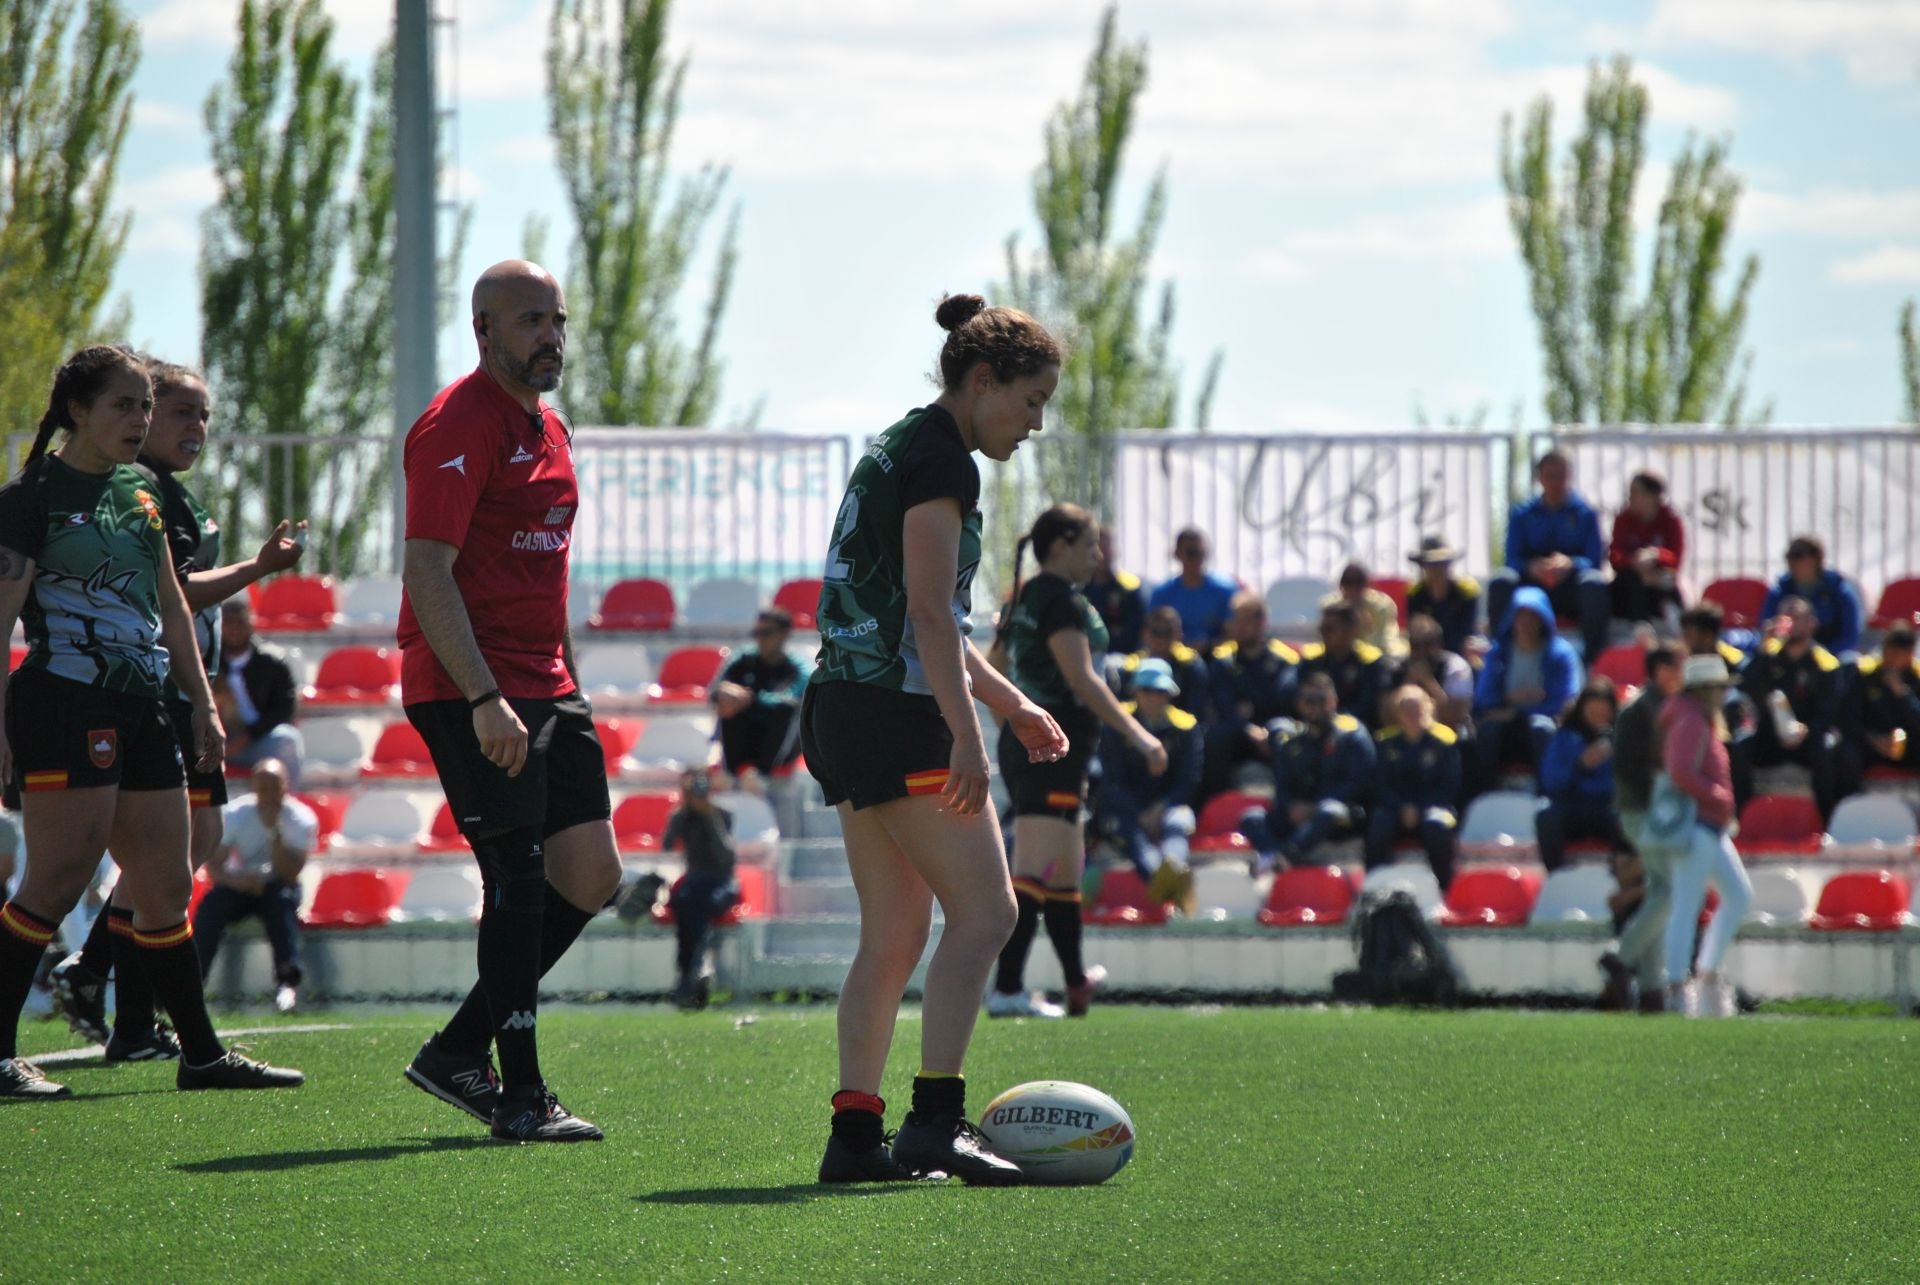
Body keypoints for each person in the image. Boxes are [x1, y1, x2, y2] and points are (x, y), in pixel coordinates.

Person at [801, 293, 1069, 1185]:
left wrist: (1010, 704)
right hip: (895, 712)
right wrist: (968, 733)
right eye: (1029, 401)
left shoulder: (903, 440)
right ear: (983, 378)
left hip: (845, 706)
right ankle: (935, 1122)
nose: (1034, 424)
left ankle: (854, 1136)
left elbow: (933, 621)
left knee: (896, 930)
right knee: (989, 913)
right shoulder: (943, 460)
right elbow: (925, 612)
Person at [0, 345, 301, 1097]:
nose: (139, 420)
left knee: (166, 880)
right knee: (59, 877)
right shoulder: (32, 496)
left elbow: (169, 605)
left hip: (146, 705)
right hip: (65, 699)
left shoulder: (141, 492)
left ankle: (200, 1055)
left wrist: (202, 703)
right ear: (76, 411)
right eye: (123, 405)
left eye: (144, 405)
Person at [397, 260, 622, 1144]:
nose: (550, 336)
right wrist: (486, 696)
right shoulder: (455, 424)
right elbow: (428, 569)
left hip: (547, 683)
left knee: (592, 874)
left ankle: (457, 1047)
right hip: (470, 683)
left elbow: (548, 575)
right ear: (484, 330)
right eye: (531, 320)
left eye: (558, 320)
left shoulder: (552, 430)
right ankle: (521, 1095)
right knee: (518, 877)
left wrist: (569, 681)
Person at [989, 503, 1166, 1021]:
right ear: (1061, 546)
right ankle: (1006, 988)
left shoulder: (1024, 597)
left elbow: (995, 666)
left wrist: (1013, 726)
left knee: (1065, 872)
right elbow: (1081, 679)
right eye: (1090, 544)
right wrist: (1139, 736)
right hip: (1052, 753)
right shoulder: (1061, 600)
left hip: (1042, 750)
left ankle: (1074, 981)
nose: (1099, 554)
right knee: (1032, 868)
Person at [1655, 654, 1753, 1019]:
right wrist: (1718, 797)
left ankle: (1705, 975)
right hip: (1696, 825)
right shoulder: (1690, 719)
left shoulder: (1695, 718)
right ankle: (1679, 985)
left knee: (1737, 895)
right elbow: (1680, 770)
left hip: (1708, 825)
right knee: (1687, 903)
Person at [193, 759, 315, 1014]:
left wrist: (275, 833)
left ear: (286, 786)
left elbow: (289, 872)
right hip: (243, 883)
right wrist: (238, 882)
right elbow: (215, 866)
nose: (269, 794)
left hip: (279, 885)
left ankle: (287, 983)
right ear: (254, 787)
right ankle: (193, 981)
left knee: (280, 904)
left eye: (275, 786)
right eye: (264, 787)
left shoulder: (301, 819)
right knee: (212, 905)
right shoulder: (237, 814)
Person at [1601, 645, 1683, 1013]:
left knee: (1658, 893)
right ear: (1661, 670)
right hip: (1644, 813)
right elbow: (1633, 769)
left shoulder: (1658, 707)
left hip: (1650, 813)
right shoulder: (1641, 710)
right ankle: (1621, 958)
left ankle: (1652, 990)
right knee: (1668, 893)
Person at [1240, 672, 1375, 867]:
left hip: (1344, 814)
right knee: (1252, 818)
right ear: (1299, 704)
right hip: (1303, 811)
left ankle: (1286, 858)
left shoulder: (1353, 735)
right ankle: (1272, 856)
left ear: (1333, 701)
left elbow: (1357, 785)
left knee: (1329, 812)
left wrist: (1313, 808)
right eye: (1308, 701)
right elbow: (1283, 787)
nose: (1315, 706)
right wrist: (1290, 808)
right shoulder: (1292, 741)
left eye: (1321, 700)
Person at [1488, 450, 1610, 662]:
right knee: (1501, 580)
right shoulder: (1522, 514)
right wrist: (1531, 567)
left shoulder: (1585, 514)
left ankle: (1593, 660)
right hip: (1532, 589)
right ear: (1539, 478)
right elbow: (1512, 559)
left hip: (1570, 588)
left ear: (1569, 476)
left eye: (1561, 476)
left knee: (1595, 584)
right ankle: (1501, 655)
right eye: (1550, 476)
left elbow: (1594, 560)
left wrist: (1570, 564)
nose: (1556, 482)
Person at [1096, 659, 1201, 892]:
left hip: (1169, 806)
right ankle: (1159, 879)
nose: (1154, 697)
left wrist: (1161, 808)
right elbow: (1112, 780)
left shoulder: (1186, 727)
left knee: (1179, 823)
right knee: (1131, 835)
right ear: (1135, 691)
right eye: (1147, 690)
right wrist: (1140, 813)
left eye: (1161, 691)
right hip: (1127, 809)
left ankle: (1173, 868)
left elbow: (1188, 780)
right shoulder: (1116, 725)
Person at [1733, 596, 1842, 818]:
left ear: (1811, 623)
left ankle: (1826, 819)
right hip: (1771, 738)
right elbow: (1744, 687)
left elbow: (1830, 710)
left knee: (1826, 748)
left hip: (1806, 740)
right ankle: (1742, 818)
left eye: (1796, 616)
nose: (1790, 622)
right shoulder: (1770, 657)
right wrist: (1762, 649)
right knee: (1741, 745)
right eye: (1786, 616)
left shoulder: (1824, 662)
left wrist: (1807, 729)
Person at [1472, 585, 1582, 788]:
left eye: (1533, 616)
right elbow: (1484, 699)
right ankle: (1483, 792)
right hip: (1506, 730)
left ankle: (1548, 793)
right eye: (1521, 615)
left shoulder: (1561, 654)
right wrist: (1510, 699)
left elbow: (1562, 702)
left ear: (1544, 619)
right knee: (1488, 731)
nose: (1526, 622)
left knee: (1540, 726)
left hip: (1542, 728)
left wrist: (1515, 710)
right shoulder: (1498, 653)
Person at [1201, 591, 1298, 797]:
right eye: (1236, 620)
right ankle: (1216, 801)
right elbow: (1224, 705)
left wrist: (1258, 719)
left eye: (1246, 620)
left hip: (1271, 731)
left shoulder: (1284, 660)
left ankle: (1286, 801)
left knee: (1285, 732)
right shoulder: (1223, 662)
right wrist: (1248, 728)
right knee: (1217, 736)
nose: (1239, 627)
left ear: (1261, 623)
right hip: (1239, 733)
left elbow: (1283, 703)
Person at [1366, 686, 1460, 888]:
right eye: (1407, 711)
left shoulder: (1443, 742)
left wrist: (1420, 808)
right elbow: (1381, 785)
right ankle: (1374, 886)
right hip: (1396, 809)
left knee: (1438, 825)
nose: (1413, 716)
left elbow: (1449, 786)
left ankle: (1446, 888)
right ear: (1398, 714)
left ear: (1428, 710)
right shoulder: (1386, 743)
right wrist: (1402, 808)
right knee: (1379, 822)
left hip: (1434, 806)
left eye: (1417, 710)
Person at [661, 768, 738, 1010]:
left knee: (695, 903)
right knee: (684, 901)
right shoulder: (682, 816)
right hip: (694, 883)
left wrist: (709, 817)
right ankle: (697, 968)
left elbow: (725, 858)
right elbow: (667, 844)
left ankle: (689, 974)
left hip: (720, 883)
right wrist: (683, 811)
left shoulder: (722, 815)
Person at [1534, 678, 1629, 871]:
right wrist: (1580, 765)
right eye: (1592, 712)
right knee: (1546, 817)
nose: (1597, 718)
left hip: (1608, 806)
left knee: (1626, 819)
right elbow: (1551, 781)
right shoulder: (1564, 737)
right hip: (1571, 805)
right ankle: (1554, 875)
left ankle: (1624, 876)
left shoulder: (1623, 739)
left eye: (1603, 713)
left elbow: (1628, 782)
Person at [711, 606, 810, 782]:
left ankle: (763, 776)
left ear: (784, 634)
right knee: (727, 703)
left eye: (767, 632)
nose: (760, 638)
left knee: (785, 710)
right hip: (746, 739)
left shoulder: (797, 669)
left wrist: (747, 698)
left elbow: (790, 699)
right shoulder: (742, 659)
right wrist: (726, 694)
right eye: (757, 632)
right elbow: (714, 690)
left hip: (778, 746)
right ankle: (730, 772)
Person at [216, 596, 304, 785]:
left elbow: (284, 710)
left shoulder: (272, 663)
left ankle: (287, 805)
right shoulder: (208, 663)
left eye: (240, 622)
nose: (234, 629)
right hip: (216, 743)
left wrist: (248, 736)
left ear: (252, 623)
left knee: (288, 739)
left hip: (257, 740)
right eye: (228, 622)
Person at [1829, 622, 1920, 802]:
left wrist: (1902, 694)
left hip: (1908, 747)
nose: (1889, 658)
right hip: (1872, 744)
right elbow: (1849, 717)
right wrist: (1873, 739)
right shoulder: (1866, 674)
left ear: (1909, 655)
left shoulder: (1916, 678)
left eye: (1896, 654)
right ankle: (1849, 804)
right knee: (1845, 751)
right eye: (1887, 651)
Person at [1760, 534, 1862, 657]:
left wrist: (1822, 655)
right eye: (1789, 556)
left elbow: (1850, 636)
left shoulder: (1839, 591)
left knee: (1849, 659)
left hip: (1831, 656)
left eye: (1798, 555)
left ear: (1816, 558)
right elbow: (1766, 625)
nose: (1792, 561)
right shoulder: (1780, 591)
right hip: (1787, 656)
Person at [1296, 602, 1388, 731]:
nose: (1324, 634)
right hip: (1314, 726)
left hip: (1355, 729)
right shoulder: (1312, 661)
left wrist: (1333, 721)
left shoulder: (1369, 661)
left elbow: (1368, 705)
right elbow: (1299, 698)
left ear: (1350, 630)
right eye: (1322, 629)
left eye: (1329, 629)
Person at [1607, 471, 1685, 625]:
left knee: (1668, 582)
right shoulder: (1623, 519)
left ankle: (1678, 627)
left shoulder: (1670, 521)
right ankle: (1639, 629)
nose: (1630, 498)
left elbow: (1676, 558)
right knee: (1632, 581)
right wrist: (1634, 561)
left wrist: (1656, 555)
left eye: (1636, 493)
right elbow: (1615, 555)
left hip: (1658, 577)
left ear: (1653, 497)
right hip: (1628, 581)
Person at [1116, 606, 1214, 726]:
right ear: (1144, 634)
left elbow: (1197, 711)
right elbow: (1124, 706)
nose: (1161, 638)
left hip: (1178, 731)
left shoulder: (1191, 666)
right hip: (1136, 729)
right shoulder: (1131, 666)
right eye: (1156, 632)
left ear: (1179, 634)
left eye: (1167, 632)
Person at [1147, 526, 1238, 647]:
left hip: (1215, 658)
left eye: (1202, 554)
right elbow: (1152, 634)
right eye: (1192, 553)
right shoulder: (1162, 594)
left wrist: (1207, 646)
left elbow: (1234, 633)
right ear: (1177, 554)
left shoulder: (1225, 590)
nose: (1198, 559)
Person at [1386, 613, 1475, 734]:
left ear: (1439, 643)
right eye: (1416, 645)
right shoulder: (1397, 667)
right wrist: (1408, 682)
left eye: (1428, 644)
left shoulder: (1455, 667)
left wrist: (1428, 681)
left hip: (1446, 736)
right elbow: (1387, 718)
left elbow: (1455, 719)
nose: (1422, 651)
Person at [1405, 536, 1482, 658]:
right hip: (1426, 656)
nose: (1438, 569)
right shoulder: (1415, 595)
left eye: (1443, 563)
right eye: (1432, 564)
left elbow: (1467, 634)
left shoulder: (1466, 593)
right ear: (1423, 566)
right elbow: (1415, 633)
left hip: (1461, 654)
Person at [1086, 526, 1147, 655]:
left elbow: (1134, 631)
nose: (1102, 555)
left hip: (1124, 658)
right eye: (1098, 549)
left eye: (1107, 548)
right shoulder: (1080, 590)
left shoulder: (1128, 587)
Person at [1323, 561, 1403, 656]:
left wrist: (1368, 628)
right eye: (1348, 583)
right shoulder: (1332, 607)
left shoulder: (1380, 606)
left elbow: (1384, 642)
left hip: (1378, 654)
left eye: (1359, 583)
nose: (1353, 589)